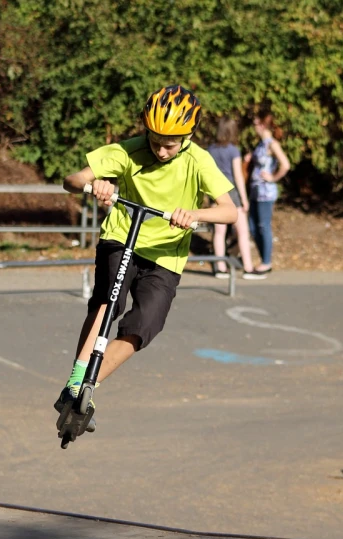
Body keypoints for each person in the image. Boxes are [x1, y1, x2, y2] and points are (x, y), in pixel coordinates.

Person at [57, 85, 238, 431]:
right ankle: (76, 382)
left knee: (145, 325)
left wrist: (194, 214)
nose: (162, 150)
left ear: (187, 136)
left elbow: (230, 212)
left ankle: (85, 389)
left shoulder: (198, 160)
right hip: (122, 238)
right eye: (155, 140)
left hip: (167, 254)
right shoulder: (128, 150)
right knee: (108, 302)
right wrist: (97, 184)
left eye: (170, 144)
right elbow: (73, 179)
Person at [207, 118, 265, 279]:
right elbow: (238, 176)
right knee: (242, 232)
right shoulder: (233, 150)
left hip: (215, 192)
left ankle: (220, 267)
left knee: (219, 233)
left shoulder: (210, 150)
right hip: (231, 193)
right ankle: (248, 267)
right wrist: (244, 199)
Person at [244, 108, 290, 276]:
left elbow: (285, 164)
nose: (254, 126)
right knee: (252, 226)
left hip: (266, 192)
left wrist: (273, 177)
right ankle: (263, 259)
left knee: (263, 226)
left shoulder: (272, 144)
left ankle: (266, 262)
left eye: (256, 123)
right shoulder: (260, 144)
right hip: (255, 191)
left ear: (263, 125)